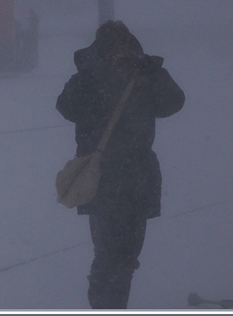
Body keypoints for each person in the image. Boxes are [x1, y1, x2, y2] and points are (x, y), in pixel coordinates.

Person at [56, 20, 185, 309]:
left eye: (124, 48)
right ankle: (106, 306)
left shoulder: (142, 75)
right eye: (114, 49)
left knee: (123, 255)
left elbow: (174, 102)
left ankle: (110, 305)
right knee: (112, 253)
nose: (120, 54)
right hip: (108, 179)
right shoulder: (91, 77)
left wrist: (151, 68)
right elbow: (67, 106)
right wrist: (97, 73)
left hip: (131, 179)